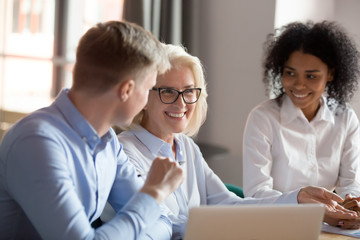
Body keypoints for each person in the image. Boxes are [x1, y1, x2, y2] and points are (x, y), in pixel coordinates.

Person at [109, 43, 359, 239]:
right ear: (143, 96)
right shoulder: (125, 153)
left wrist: (298, 198)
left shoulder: (185, 146)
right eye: (167, 92)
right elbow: (156, 224)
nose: (181, 103)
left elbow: (228, 204)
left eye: (188, 91)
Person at [0, 21, 184, 239]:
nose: (146, 102)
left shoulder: (108, 141)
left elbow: (162, 221)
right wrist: (153, 193)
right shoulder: (36, 142)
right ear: (126, 90)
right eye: (147, 89)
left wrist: (147, 207)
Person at [242, 21, 360, 227]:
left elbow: (351, 183)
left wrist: (351, 206)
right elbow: (256, 193)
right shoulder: (263, 118)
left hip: (329, 226)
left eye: (311, 76)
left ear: (330, 74)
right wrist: (313, 211)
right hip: (275, 224)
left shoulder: (345, 118)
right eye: (290, 73)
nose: (298, 84)